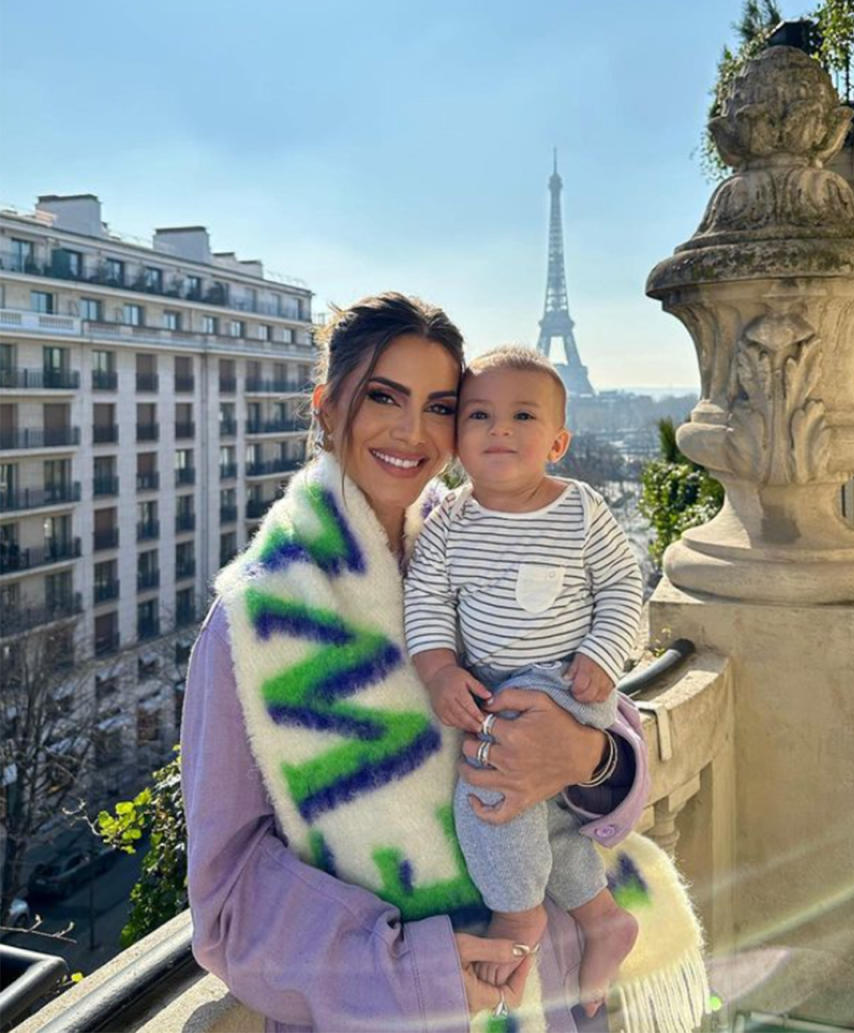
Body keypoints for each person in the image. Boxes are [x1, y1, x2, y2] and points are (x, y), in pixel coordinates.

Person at [181, 292, 651, 1033]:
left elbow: (608, 727)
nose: (413, 431)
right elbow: (229, 898)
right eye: (382, 396)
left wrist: (590, 758)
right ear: (327, 407)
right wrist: (418, 971)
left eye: (440, 405)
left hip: (560, 990)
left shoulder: (485, 542)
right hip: (403, 1012)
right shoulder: (254, 619)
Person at [405, 347, 644, 1014]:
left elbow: (625, 586)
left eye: (521, 415)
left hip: (569, 686)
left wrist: (603, 653)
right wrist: (440, 669)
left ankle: (516, 916)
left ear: (559, 441)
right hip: (493, 687)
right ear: (457, 439)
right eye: (479, 414)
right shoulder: (449, 520)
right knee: (545, 819)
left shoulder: (581, 510)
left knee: (489, 793)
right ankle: (602, 916)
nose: (498, 428)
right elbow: (426, 605)